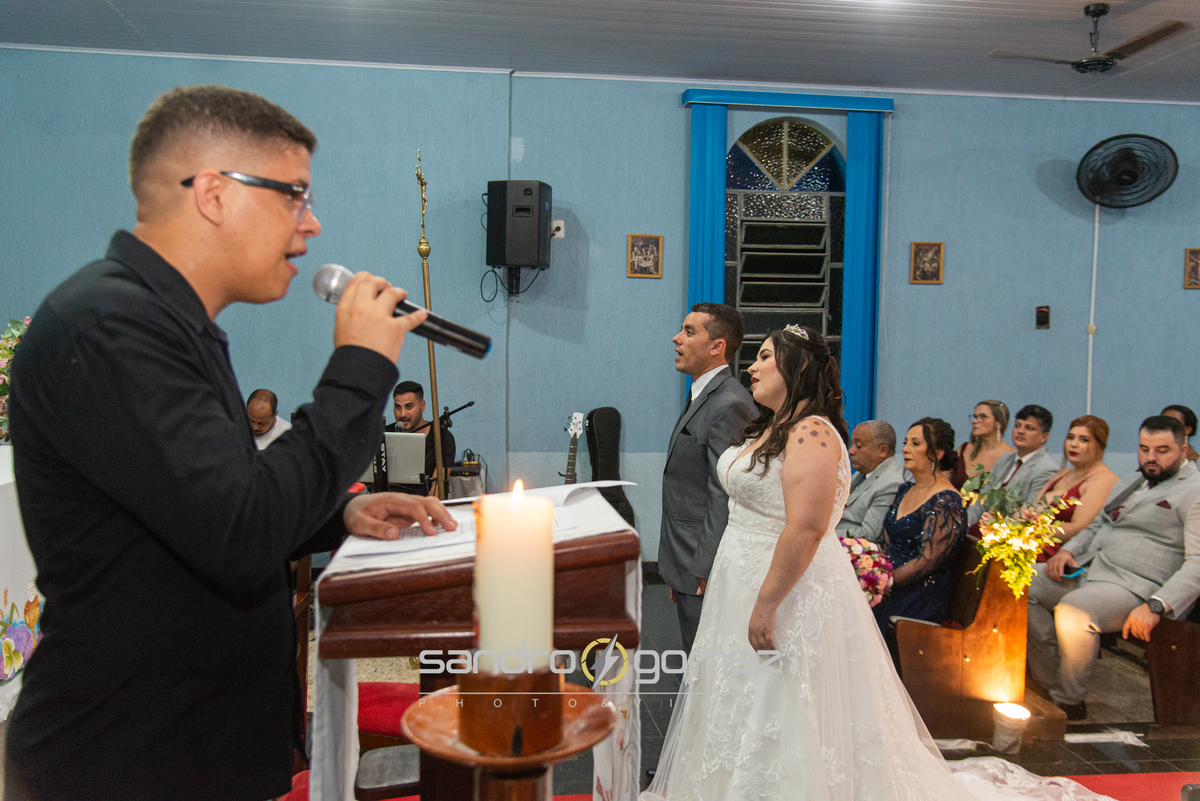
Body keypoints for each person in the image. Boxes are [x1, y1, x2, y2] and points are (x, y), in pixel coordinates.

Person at [2, 85, 456, 801]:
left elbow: (203, 507)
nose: (312, 223)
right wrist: (359, 367)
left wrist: (338, 513)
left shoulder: (166, 324)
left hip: (187, 745)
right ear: (214, 194)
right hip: (128, 756)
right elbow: (242, 531)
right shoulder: (108, 327)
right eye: (295, 195)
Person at [643, 325, 1114, 801]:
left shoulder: (812, 433)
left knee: (779, 696)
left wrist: (766, 605)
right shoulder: (768, 427)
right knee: (737, 690)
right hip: (739, 573)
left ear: (798, 367)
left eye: (765, 357)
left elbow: (805, 528)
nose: (752, 367)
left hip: (782, 585)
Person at [1029, 416, 1200, 721]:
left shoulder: (1194, 491)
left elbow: (1197, 562)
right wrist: (1067, 551)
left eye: (1162, 450)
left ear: (1183, 450)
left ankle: (1067, 702)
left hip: (1138, 586)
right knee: (1017, 581)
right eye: (1144, 448)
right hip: (1092, 570)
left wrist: (1157, 605)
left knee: (1074, 610)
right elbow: (1098, 524)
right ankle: (1050, 681)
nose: (1151, 457)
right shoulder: (1132, 481)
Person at [659, 302, 756, 653]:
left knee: (707, 662)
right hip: (684, 556)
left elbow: (725, 491)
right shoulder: (703, 393)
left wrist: (701, 567)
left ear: (717, 346)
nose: (677, 339)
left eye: (689, 332)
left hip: (702, 563)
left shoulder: (729, 403)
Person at [873, 418, 968, 641]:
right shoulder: (906, 489)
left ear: (938, 453)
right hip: (889, 580)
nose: (906, 449)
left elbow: (927, 561)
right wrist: (867, 568)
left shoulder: (946, 501)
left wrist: (883, 581)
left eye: (915, 443)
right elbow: (884, 541)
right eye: (906, 443)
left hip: (919, 592)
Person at [1035, 416, 1119, 562]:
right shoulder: (1061, 474)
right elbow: (1030, 511)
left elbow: (1079, 528)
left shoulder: (1103, 479)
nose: (1073, 444)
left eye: (1084, 440)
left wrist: (1028, 532)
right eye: (1070, 437)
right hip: (1034, 542)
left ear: (1100, 446)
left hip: (1064, 554)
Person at [966, 404, 1059, 530]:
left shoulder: (1047, 469)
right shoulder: (1004, 459)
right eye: (1017, 426)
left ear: (1044, 436)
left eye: (1029, 428)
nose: (1020, 431)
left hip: (1010, 533)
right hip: (982, 529)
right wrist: (964, 525)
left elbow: (1029, 514)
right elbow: (982, 500)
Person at [836, 419, 903, 542]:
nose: (851, 451)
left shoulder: (892, 483)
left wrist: (824, 536)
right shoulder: (862, 472)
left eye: (859, 446)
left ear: (883, 450)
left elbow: (869, 534)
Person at [385, 380, 455, 496]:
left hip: (423, 503)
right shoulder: (383, 435)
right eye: (398, 407)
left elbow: (437, 489)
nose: (402, 414)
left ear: (422, 406)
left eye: (409, 407)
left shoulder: (441, 438)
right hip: (386, 503)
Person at [951, 399, 1013, 488]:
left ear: (999, 423)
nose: (974, 421)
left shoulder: (1011, 457)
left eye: (982, 417)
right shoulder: (964, 449)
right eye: (975, 417)